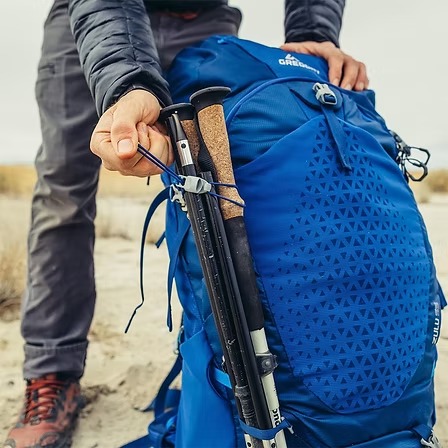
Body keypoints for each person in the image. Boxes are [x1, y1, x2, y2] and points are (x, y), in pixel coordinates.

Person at [4, 1, 368, 447]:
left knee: (221, 186)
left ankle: (217, 370)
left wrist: (312, 28)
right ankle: (52, 371)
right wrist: (128, 82)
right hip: (93, 20)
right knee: (63, 193)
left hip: (203, 19)